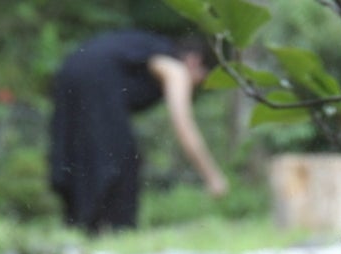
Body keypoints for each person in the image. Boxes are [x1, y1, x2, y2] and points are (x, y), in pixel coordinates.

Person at [49, 30, 229, 233]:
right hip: (97, 77)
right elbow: (183, 125)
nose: (198, 85)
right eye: (202, 78)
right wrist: (213, 176)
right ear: (194, 61)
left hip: (71, 69)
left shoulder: (154, 50)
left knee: (80, 147)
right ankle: (116, 229)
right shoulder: (176, 68)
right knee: (120, 156)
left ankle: (81, 225)